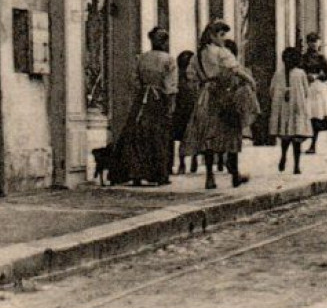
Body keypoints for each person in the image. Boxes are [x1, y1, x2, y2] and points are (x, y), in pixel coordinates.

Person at [183, 21, 258, 189]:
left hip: (206, 96)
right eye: (221, 35)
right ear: (212, 36)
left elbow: (190, 76)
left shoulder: (198, 56)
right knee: (232, 132)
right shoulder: (221, 52)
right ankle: (235, 174)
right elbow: (236, 69)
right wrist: (250, 81)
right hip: (224, 95)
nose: (224, 39)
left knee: (208, 136)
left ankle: (210, 177)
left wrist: (203, 85)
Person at [109, 27, 178, 186]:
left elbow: (133, 80)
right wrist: (170, 104)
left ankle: (137, 173)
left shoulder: (141, 58)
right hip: (159, 100)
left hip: (142, 100)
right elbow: (170, 85)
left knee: (137, 135)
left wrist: (141, 91)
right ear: (165, 42)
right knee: (159, 136)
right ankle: (160, 174)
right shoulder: (168, 60)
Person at [269, 46, 313, 174]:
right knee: (297, 138)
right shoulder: (300, 74)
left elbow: (272, 91)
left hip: (284, 111)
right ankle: (296, 166)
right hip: (297, 110)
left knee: (285, 137)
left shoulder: (278, 74)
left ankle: (283, 156)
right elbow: (306, 92)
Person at [300, 33, 327, 155]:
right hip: (305, 88)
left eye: (316, 41)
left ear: (319, 43)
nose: (313, 44)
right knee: (304, 115)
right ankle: (301, 140)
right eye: (311, 41)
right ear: (307, 43)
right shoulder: (302, 58)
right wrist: (305, 76)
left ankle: (313, 144)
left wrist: (318, 76)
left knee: (316, 116)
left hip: (318, 89)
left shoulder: (322, 58)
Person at [172, 50, 199, 175]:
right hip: (183, 111)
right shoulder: (180, 79)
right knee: (185, 137)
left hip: (188, 111)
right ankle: (185, 162)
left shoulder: (191, 79)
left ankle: (191, 160)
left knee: (188, 137)